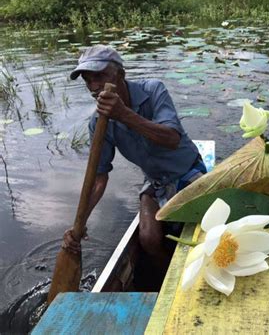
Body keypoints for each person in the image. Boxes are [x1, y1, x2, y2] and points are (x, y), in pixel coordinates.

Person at [62, 45, 206, 287]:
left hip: (187, 171)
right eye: (88, 80)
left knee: (201, 233)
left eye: (100, 76)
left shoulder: (153, 90)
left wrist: (124, 114)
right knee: (149, 239)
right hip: (155, 181)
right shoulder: (98, 122)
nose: (94, 86)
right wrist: (79, 224)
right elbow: (99, 177)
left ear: (120, 74)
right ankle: (173, 282)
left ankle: (198, 272)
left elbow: (171, 139)